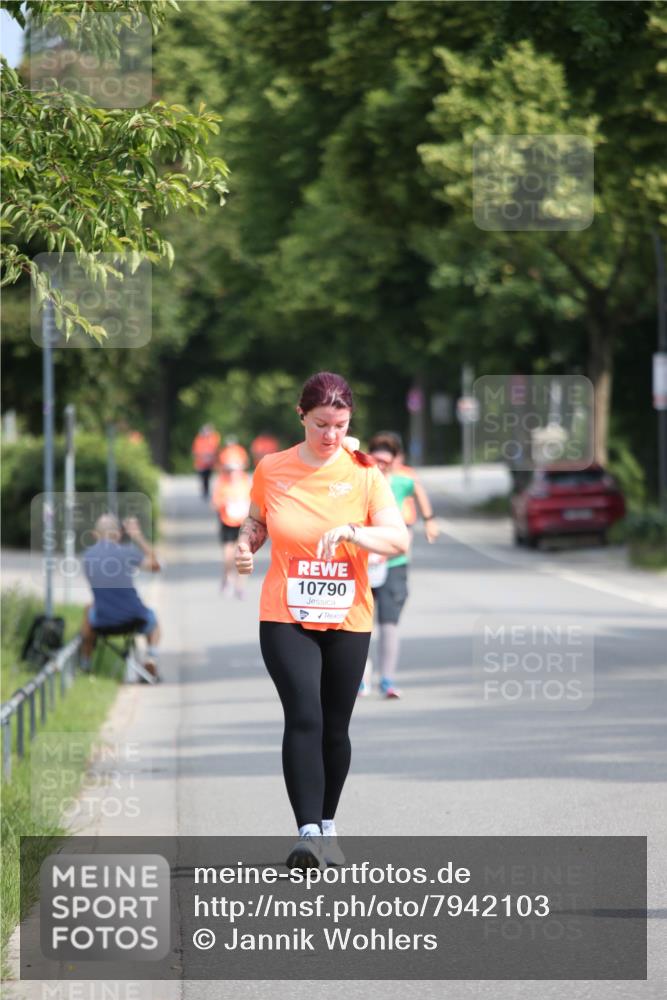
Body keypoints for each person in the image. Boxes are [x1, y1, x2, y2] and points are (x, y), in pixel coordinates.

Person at [235, 372, 408, 870]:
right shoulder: (273, 467)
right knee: (304, 715)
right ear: (301, 416)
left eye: (340, 424)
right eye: (320, 424)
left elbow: (397, 539)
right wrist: (245, 544)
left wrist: (355, 531)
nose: (330, 435)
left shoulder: (366, 472)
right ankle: (307, 834)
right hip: (285, 612)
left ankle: (328, 826)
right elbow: (257, 520)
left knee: (336, 726)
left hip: (348, 613)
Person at [359, 432, 440, 699]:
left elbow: (419, 492)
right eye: (377, 460)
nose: (381, 465)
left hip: (394, 561)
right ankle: (360, 677)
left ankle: (387, 680)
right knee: (359, 624)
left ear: (395, 461)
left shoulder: (404, 479)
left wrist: (429, 520)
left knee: (389, 622)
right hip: (362, 559)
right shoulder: (360, 479)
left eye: (386, 461)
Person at [80, 514, 162, 679]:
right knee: (154, 622)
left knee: (88, 611)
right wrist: (138, 537)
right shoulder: (128, 552)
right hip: (135, 618)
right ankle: (151, 657)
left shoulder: (87, 557)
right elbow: (156, 566)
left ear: (96, 535)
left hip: (103, 621)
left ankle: (85, 665)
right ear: (118, 534)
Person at [211, 460, 251, 598]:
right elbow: (214, 504)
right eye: (231, 471)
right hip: (227, 522)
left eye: (236, 470)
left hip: (244, 523)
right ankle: (227, 578)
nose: (233, 474)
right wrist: (225, 501)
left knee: (242, 555)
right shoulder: (222, 484)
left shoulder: (246, 482)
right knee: (228, 555)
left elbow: (255, 501)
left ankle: (240, 587)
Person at [192, 424, 221, 499]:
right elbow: (195, 450)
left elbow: (216, 449)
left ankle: (207, 491)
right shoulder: (198, 439)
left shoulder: (213, 438)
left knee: (208, 477)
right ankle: (205, 491)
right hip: (201, 463)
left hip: (209, 463)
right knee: (203, 477)